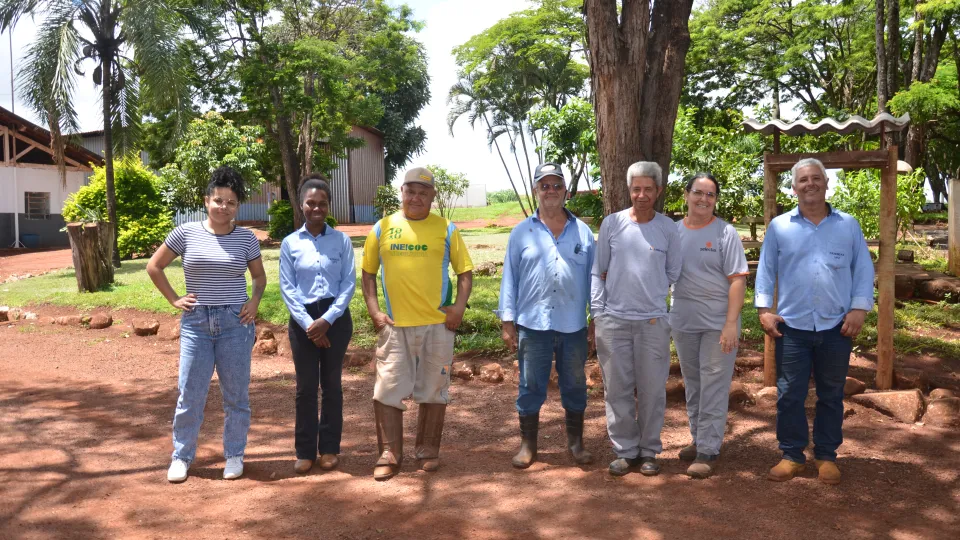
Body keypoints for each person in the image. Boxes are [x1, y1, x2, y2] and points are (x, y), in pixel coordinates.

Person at [755, 158, 874, 485]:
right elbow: (765, 271)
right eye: (803, 180)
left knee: (831, 394)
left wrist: (859, 309)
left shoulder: (848, 225)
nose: (810, 184)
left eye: (816, 178)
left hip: (837, 327)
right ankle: (792, 455)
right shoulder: (780, 227)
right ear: (794, 188)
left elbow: (863, 270)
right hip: (791, 328)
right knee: (790, 393)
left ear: (826, 184)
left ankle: (825, 456)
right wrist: (764, 311)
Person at [147, 166, 265, 483]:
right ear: (206, 201)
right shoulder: (185, 232)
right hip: (196, 323)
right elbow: (154, 266)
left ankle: (234, 455)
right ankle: (182, 457)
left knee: (236, 396)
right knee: (190, 394)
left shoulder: (246, 239)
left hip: (235, 324)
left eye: (230, 202)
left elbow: (258, 277)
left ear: (238, 207)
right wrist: (174, 299)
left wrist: (254, 302)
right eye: (218, 200)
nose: (223, 207)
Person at [360, 166, 474, 481]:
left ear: (433, 196)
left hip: (438, 326)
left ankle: (427, 450)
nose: (416, 197)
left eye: (423, 192)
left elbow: (465, 274)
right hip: (395, 326)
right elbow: (368, 274)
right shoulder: (382, 228)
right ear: (402, 192)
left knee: (434, 388)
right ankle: (389, 454)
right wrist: (374, 312)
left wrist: (458, 310)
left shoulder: (447, 229)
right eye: (410, 191)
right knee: (388, 388)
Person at [497, 163, 596, 469]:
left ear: (566, 191)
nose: (550, 191)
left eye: (556, 186)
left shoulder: (583, 232)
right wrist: (507, 322)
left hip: (573, 325)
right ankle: (528, 446)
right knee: (530, 385)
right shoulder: (521, 232)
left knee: (576, 384)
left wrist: (596, 319)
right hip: (533, 324)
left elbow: (595, 278)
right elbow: (509, 278)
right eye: (544, 185)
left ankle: (576, 444)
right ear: (536, 191)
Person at [591, 161, 682, 477]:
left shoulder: (668, 228)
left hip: (653, 323)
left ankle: (648, 452)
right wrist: (598, 313)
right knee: (616, 390)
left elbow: (673, 272)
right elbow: (597, 270)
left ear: (658, 191)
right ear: (629, 190)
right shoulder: (612, 224)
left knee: (652, 390)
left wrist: (653, 295)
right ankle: (625, 451)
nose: (641, 195)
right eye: (636, 189)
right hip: (613, 321)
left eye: (648, 189)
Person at [669, 172, 748, 479]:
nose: (704, 199)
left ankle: (708, 449)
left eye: (710, 195)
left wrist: (731, 324)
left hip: (718, 322)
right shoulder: (673, 232)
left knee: (714, 384)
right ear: (686, 194)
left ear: (716, 200)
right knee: (694, 383)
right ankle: (698, 438)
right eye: (698, 193)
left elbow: (738, 280)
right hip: (684, 321)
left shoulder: (725, 233)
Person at [279, 174, 356, 474]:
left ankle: (330, 449)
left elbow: (348, 283)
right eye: (311, 203)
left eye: (322, 203)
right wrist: (311, 324)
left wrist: (327, 320)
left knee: (332, 385)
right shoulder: (290, 244)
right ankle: (305, 450)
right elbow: (287, 288)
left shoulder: (342, 240)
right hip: (303, 321)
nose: (317, 208)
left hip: (335, 319)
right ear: (301, 205)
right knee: (306, 387)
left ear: (329, 206)